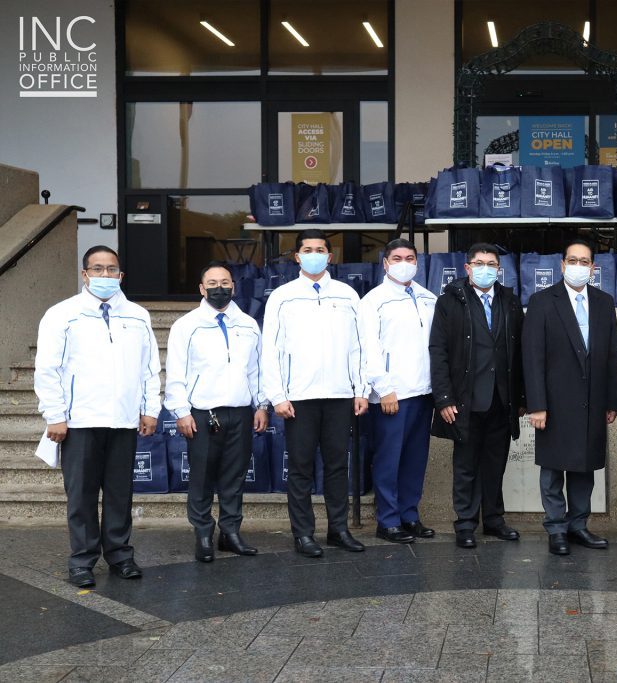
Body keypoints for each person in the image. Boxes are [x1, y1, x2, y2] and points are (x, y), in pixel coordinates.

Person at [34, 246, 160, 587]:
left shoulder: (137, 315)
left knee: (120, 492)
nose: (105, 276)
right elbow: (48, 369)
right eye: (98, 269)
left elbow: (149, 368)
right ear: (84, 273)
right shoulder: (63, 314)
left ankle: (120, 555)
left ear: (121, 275)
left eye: (112, 269)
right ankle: (82, 560)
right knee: (82, 494)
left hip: (122, 420)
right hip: (80, 421)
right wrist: (55, 415)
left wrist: (150, 409)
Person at [262, 229, 368, 558]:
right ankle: (303, 534)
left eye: (320, 249)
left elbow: (359, 348)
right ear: (297, 256)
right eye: (307, 249)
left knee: (337, 466)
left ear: (330, 256)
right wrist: (277, 395)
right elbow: (271, 350)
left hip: (339, 395)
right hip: (299, 399)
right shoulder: (282, 296)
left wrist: (361, 389)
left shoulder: (348, 295)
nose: (314, 254)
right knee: (301, 468)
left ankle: (338, 529)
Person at [164, 262, 269, 562]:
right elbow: (176, 373)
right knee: (202, 477)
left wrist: (261, 405)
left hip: (240, 412)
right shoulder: (186, 325)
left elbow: (255, 370)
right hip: (202, 414)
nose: (219, 288)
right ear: (201, 288)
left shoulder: (248, 324)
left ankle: (230, 532)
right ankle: (203, 533)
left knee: (234, 476)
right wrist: (181, 412)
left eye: (224, 282)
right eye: (212, 282)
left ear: (234, 287)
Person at [522, 239, 617, 556]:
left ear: (593, 268)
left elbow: (609, 357)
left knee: (584, 468)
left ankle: (578, 525)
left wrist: (612, 401)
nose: (579, 266)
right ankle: (556, 529)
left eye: (585, 261)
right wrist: (536, 404)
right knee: (553, 470)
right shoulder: (541, 302)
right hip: (553, 403)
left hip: (592, 401)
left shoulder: (604, 303)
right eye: (573, 260)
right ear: (563, 265)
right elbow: (532, 357)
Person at [429, 243, 525, 549]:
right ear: (468, 268)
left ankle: (494, 519)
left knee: (495, 464)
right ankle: (466, 523)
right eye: (479, 263)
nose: (485, 269)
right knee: (466, 465)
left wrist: (521, 398)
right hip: (465, 400)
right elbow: (438, 351)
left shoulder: (510, 301)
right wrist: (444, 398)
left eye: (491, 264)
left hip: (501, 399)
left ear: (499, 269)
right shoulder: (450, 302)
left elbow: (519, 351)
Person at [359, 238, 437, 544]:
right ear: (386, 263)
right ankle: (388, 519)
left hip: (423, 392)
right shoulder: (373, 301)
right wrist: (384, 388)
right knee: (389, 459)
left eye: (410, 257)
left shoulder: (427, 298)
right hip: (392, 395)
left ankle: (409, 515)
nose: (404, 262)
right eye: (397, 257)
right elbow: (369, 348)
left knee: (415, 459)